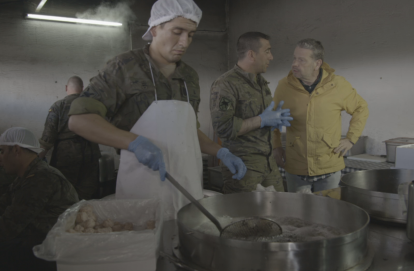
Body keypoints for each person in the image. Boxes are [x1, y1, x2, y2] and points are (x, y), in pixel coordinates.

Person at [67, 0, 246, 219]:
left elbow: (188, 130)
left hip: (187, 187)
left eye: (190, 34)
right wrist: (133, 142)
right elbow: (79, 120)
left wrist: (220, 151)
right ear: (154, 29)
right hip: (141, 187)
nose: (184, 42)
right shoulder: (124, 68)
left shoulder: (189, 77)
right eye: (177, 32)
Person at [273, 38, 369, 193]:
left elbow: (361, 108)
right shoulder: (284, 86)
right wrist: (276, 145)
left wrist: (351, 138)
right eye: (294, 58)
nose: (295, 64)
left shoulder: (338, 85)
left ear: (317, 64)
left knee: (327, 213)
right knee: (297, 213)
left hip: (329, 166)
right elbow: (272, 117)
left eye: (302, 60)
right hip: (296, 166)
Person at [210, 32, 292, 193]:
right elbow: (223, 128)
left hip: (268, 163)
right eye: (267, 51)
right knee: (246, 215)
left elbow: (260, 120)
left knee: (280, 211)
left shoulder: (261, 83)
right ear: (251, 54)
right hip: (243, 165)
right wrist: (261, 120)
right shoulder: (226, 84)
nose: (271, 57)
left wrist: (274, 121)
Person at [0, 127, 79, 271]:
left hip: (47, 252)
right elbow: (3, 204)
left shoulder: (41, 179)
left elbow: (8, 228)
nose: (0, 158)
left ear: (16, 150)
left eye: (2, 151)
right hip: (36, 244)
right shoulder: (28, 175)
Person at [39, 76, 101, 200]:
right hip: (91, 151)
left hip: (66, 153)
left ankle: (68, 217)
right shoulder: (92, 105)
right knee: (87, 191)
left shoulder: (58, 105)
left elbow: (49, 135)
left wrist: (39, 156)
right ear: (82, 89)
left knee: (65, 190)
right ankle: (84, 216)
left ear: (66, 88)